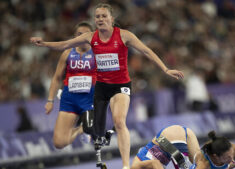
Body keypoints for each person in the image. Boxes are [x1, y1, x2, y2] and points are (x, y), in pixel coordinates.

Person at [30, 3, 184, 168]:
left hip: (120, 86)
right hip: (101, 88)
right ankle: (96, 135)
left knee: (119, 121)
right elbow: (64, 44)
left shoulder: (124, 35)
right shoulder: (90, 37)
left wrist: (165, 69)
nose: (100, 19)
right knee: (97, 131)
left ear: (112, 19)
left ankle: (126, 165)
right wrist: (44, 43)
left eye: (104, 16)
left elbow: (146, 51)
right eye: (97, 17)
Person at [44, 21, 96, 149]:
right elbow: (56, 78)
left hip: (89, 100)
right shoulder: (67, 53)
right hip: (69, 100)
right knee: (59, 143)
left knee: (91, 129)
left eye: (86, 34)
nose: (82, 37)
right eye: (79, 34)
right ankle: (80, 130)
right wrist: (50, 100)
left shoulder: (98, 53)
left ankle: (86, 128)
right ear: (74, 37)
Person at [131, 125, 200, 169]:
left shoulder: (134, 167)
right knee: (200, 164)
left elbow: (155, 163)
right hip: (166, 137)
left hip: (165, 140)